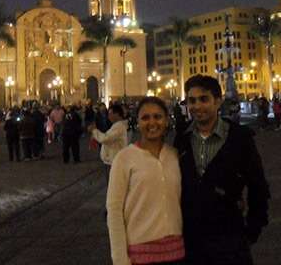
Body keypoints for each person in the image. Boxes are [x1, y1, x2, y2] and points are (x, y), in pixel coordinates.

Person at [175, 75, 270, 265]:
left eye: (204, 99)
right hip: (191, 240)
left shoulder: (239, 138)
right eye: (192, 101)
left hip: (229, 238)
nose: (197, 106)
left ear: (218, 101)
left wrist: (252, 230)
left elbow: (258, 186)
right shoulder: (182, 138)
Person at [107, 96, 185, 265]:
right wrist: (120, 259)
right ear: (137, 122)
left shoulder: (174, 155)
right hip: (140, 255)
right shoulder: (124, 158)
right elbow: (114, 210)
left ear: (166, 120)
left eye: (158, 117)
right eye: (145, 117)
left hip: (177, 252)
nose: (152, 123)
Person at [90, 104, 129, 184]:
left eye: (110, 114)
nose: (109, 116)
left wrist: (94, 131)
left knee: (113, 185)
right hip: (111, 160)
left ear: (117, 114)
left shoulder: (119, 127)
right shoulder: (116, 126)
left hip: (114, 161)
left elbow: (106, 138)